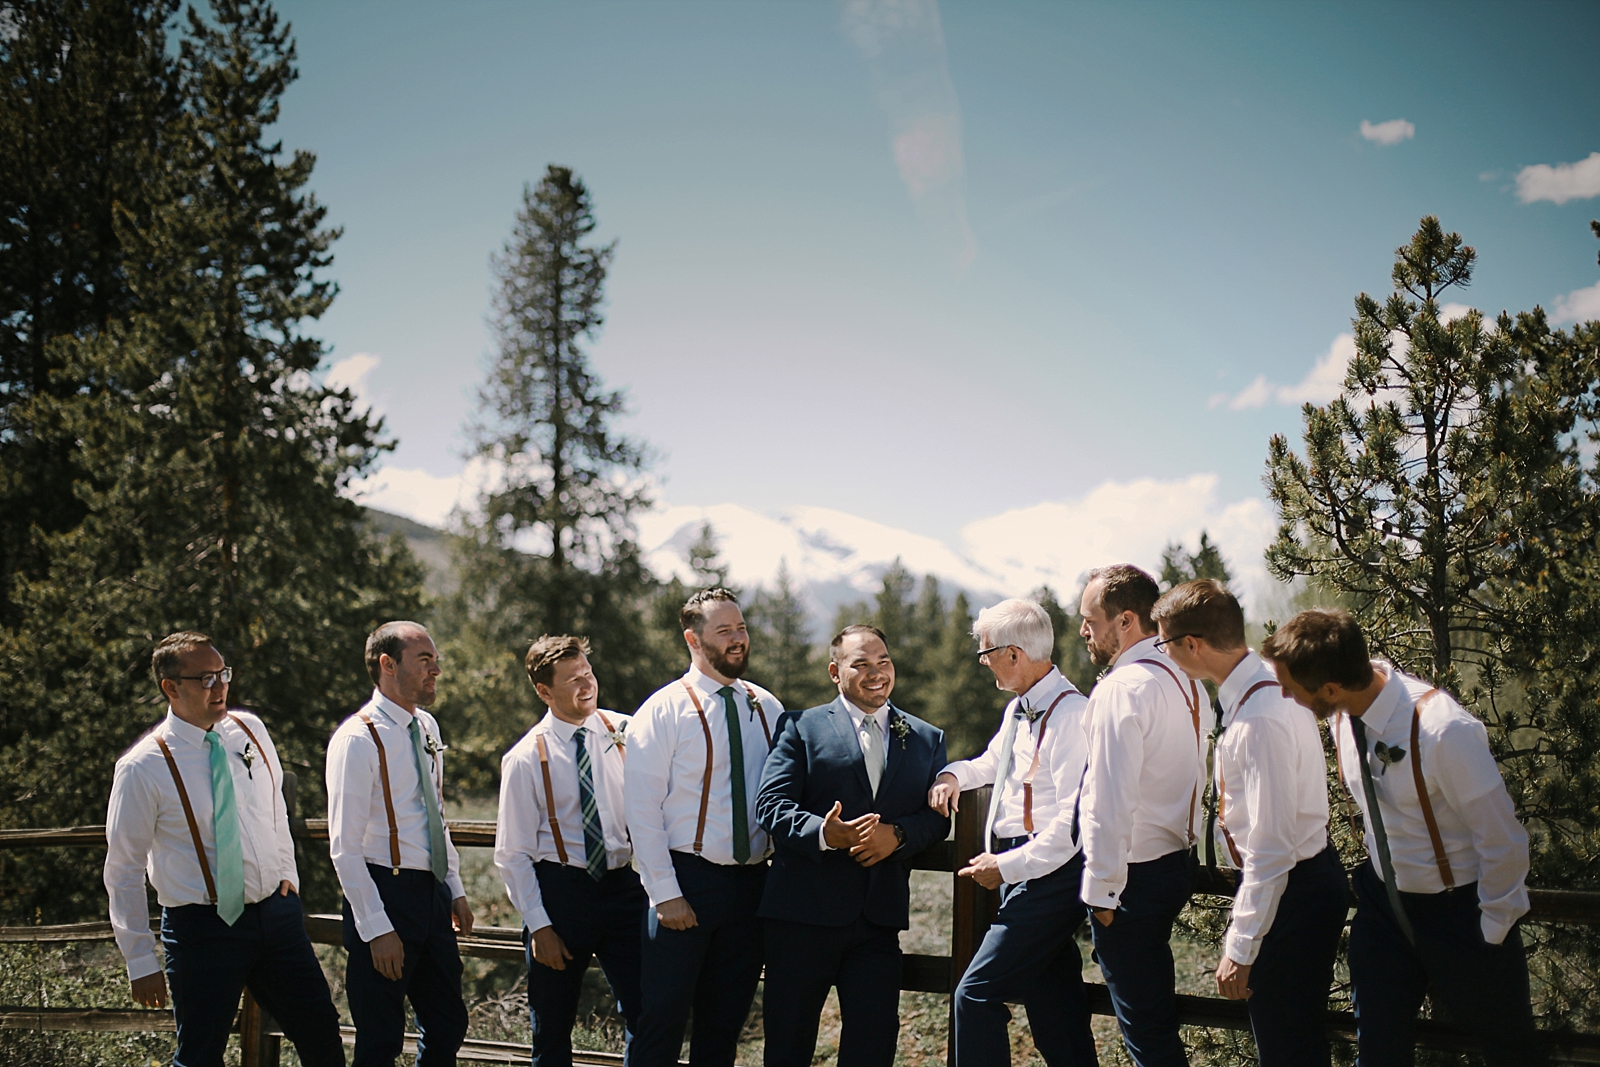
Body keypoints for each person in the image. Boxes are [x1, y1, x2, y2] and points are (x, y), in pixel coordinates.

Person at [1261, 609, 1546, 1067]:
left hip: (1461, 911)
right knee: (1378, 1053)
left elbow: (1504, 840)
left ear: (1330, 689)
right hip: (1383, 909)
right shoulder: (1340, 714)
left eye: (1290, 687)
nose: (1283, 694)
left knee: (1512, 1052)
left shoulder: (1444, 730)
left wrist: (1490, 931)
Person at [104, 631, 343, 1067]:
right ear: (171, 688)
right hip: (202, 929)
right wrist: (139, 957)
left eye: (223, 674)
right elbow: (122, 868)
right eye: (206, 679)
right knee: (200, 1055)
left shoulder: (249, 729)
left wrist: (287, 874)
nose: (220, 688)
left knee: (322, 1036)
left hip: (276, 915)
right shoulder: (143, 767)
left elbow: (274, 807)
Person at [1152, 582, 1346, 1066]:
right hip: (1290, 887)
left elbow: (1272, 848)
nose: (1166, 656)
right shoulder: (1259, 690)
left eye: (1165, 644)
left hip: (1291, 891)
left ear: (1191, 645)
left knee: (1289, 1050)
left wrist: (1241, 946)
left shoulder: (1260, 715)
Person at [755, 624, 950, 1067]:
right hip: (800, 919)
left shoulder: (925, 738)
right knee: (788, 1046)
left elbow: (936, 821)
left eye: (883, 661)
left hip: (877, 924)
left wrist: (897, 836)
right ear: (834, 671)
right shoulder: (800, 728)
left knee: (873, 1046)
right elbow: (770, 804)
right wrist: (826, 834)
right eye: (860, 664)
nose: (876, 672)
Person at [930, 598, 1098, 1067]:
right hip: (1026, 871)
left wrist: (1004, 867)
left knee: (975, 994)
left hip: (1052, 874)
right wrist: (952, 777)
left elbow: (1070, 828)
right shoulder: (1019, 710)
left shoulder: (1071, 718)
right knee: (1056, 1008)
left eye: (986, 654)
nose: (984, 664)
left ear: (1013, 654)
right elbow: (990, 763)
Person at [623, 588, 785, 1067]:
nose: (738, 640)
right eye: (724, 631)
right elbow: (642, 808)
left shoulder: (766, 706)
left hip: (752, 886)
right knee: (662, 1019)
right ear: (694, 640)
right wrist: (664, 892)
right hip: (686, 881)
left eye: (741, 628)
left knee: (723, 1025)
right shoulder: (664, 709)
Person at [327, 621, 474, 1067]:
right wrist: (377, 928)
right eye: (424, 661)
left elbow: (436, 815)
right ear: (387, 665)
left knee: (449, 1022)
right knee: (380, 1039)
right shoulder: (357, 739)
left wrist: (456, 887)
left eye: (435, 660)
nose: (436, 671)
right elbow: (343, 848)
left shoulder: (426, 725)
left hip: (431, 895)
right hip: (383, 892)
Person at [495, 635, 646, 1067]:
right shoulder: (526, 757)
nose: (587, 686)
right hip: (561, 894)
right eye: (572, 681)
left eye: (588, 674)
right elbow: (512, 854)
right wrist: (540, 926)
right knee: (552, 1023)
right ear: (544, 691)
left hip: (623, 887)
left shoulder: (624, 732)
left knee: (649, 1010)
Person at [1076, 565, 1205, 1067]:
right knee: (1154, 1023)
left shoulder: (1122, 687)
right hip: (1176, 863)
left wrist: (1103, 894)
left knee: (1146, 1035)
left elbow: (1108, 801)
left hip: (1130, 882)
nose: (1083, 630)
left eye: (1090, 619)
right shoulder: (1187, 679)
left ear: (1126, 620)